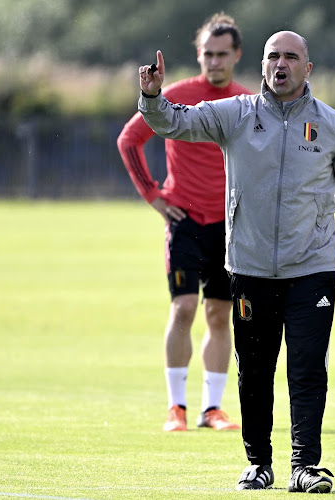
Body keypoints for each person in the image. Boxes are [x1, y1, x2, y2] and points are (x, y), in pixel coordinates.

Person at [136, 31, 335, 493]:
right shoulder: (236, 114)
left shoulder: (333, 126)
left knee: (307, 369)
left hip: (312, 269)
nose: (281, 64)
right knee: (255, 371)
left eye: (291, 57)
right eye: (274, 56)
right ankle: (259, 463)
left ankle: (306, 466)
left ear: (308, 69)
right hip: (248, 270)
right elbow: (176, 123)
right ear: (263, 66)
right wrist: (151, 97)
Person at [117, 13, 250, 433]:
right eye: (207, 54)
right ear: (199, 55)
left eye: (222, 54)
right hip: (184, 219)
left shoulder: (247, 103)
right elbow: (129, 139)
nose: (214, 62)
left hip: (229, 225)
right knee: (184, 307)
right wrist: (153, 195)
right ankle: (176, 407)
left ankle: (213, 409)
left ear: (236, 55)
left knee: (219, 315)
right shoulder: (173, 96)